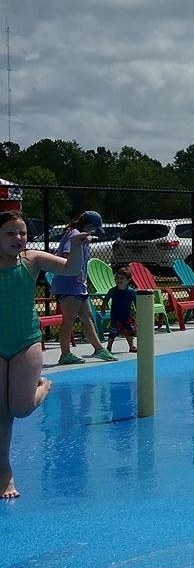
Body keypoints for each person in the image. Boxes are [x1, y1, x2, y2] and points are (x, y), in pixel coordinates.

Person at [0, 209, 91, 498]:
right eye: (10, 233)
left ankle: (44, 386)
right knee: (2, 412)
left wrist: (75, 246)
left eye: (22, 233)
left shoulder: (32, 260)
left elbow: (71, 269)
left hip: (25, 342)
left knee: (21, 408)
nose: (18, 238)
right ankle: (4, 471)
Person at [51, 211, 113, 364]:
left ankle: (99, 349)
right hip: (68, 286)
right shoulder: (73, 234)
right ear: (88, 225)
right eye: (93, 228)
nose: (94, 232)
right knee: (69, 320)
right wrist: (77, 271)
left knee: (87, 317)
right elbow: (66, 255)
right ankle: (65, 354)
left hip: (78, 286)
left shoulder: (80, 235)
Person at [101, 265, 138, 354]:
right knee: (112, 332)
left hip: (127, 316)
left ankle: (131, 346)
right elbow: (106, 299)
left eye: (122, 278)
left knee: (129, 332)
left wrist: (137, 312)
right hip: (115, 316)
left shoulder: (131, 292)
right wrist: (103, 308)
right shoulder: (113, 291)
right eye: (117, 278)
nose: (119, 280)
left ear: (128, 280)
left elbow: (136, 302)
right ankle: (109, 347)